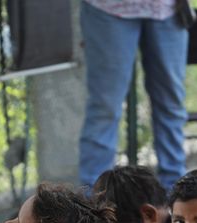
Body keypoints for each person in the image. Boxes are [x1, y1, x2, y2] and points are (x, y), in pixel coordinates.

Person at [78, 0, 188, 190]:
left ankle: (177, 196)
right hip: (108, 8)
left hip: (168, 9)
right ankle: (93, 203)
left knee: (171, 105)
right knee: (105, 108)